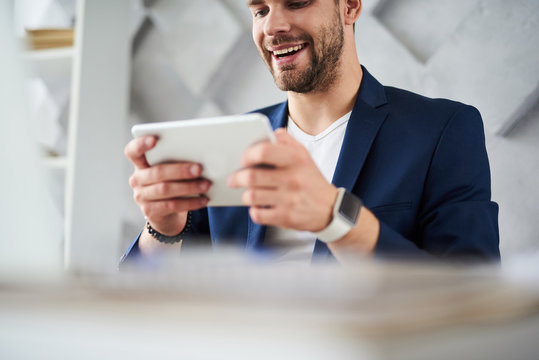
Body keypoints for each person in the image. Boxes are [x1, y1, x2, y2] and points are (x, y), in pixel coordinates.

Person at [122, 0, 499, 265]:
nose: (272, 27)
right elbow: (149, 303)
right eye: (260, 10)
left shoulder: (442, 129)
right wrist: (163, 229)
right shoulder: (229, 142)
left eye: (297, 2)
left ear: (349, 6)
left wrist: (337, 218)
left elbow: (473, 294)